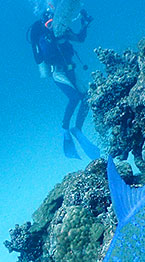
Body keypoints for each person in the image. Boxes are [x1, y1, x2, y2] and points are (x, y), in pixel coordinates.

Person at [27, 8, 100, 159]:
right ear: (44, 24)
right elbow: (45, 57)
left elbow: (80, 39)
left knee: (86, 98)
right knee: (74, 98)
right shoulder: (44, 37)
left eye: (54, 22)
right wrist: (52, 39)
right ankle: (65, 129)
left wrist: (84, 24)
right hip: (58, 72)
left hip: (71, 70)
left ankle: (77, 129)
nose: (52, 26)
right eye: (48, 24)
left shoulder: (63, 32)